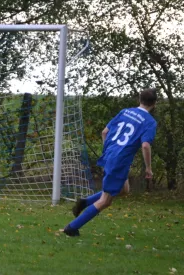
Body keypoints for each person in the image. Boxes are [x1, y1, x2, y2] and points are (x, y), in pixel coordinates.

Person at [64, 88, 158, 237]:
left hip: (112, 155)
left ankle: (85, 202)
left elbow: (104, 132)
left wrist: (109, 151)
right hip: (119, 160)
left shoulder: (125, 112)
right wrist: (148, 168)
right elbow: (145, 145)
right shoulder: (149, 122)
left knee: (123, 189)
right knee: (105, 201)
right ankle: (72, 228)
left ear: (139, 100)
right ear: (154, 104)